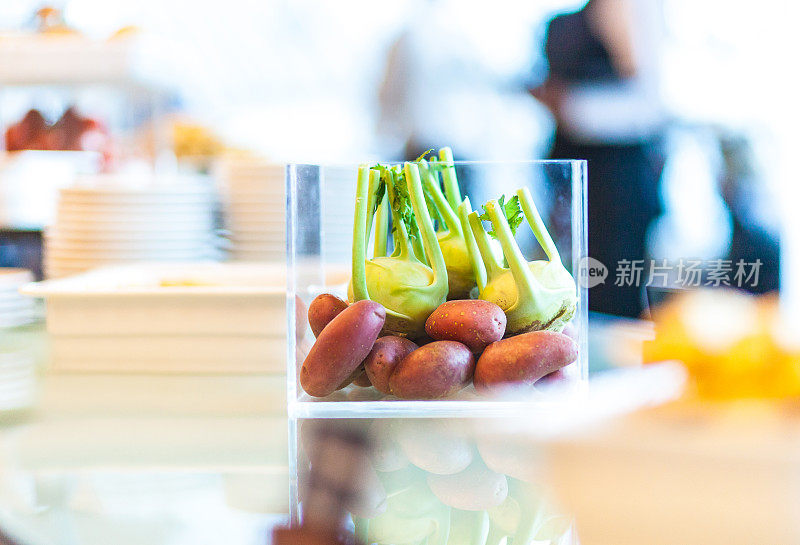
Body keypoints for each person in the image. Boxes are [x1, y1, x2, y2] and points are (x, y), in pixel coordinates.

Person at [532, 0, 667, 318]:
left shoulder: (639, 12)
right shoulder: (561, 22)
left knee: (613, 282)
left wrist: (570, 107)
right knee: (574, 277)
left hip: (620, 172)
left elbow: (645, 102)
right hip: (571, 168)